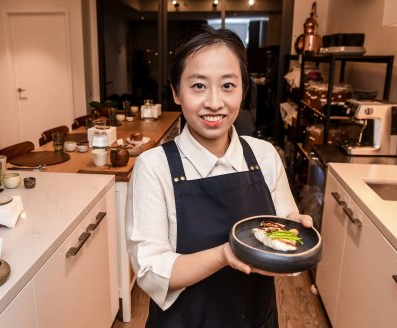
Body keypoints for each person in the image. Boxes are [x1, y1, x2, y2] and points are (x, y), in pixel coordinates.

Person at [125, 24, 313, 328]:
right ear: (176, 92)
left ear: (243, 90)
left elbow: (286, 220)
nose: (214, 102)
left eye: (228, 85)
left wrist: (295, 235)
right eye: (198, 86)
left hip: (256, 319)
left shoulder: (265, 156)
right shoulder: (154, 166)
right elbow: (150, 271)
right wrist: (225, 254)